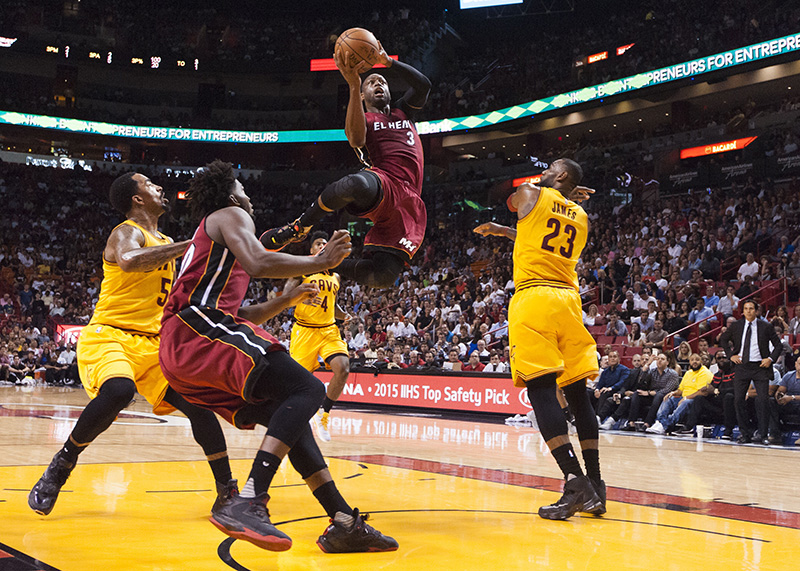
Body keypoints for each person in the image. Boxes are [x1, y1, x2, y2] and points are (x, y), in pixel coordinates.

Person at [158, 160, 397, 553]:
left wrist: (283, 301)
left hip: (185, 348)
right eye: (244, 188)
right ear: (232, 192)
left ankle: (342, 522)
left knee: (292, 419)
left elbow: (242, 316)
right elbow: (258, 261)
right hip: (194, 331)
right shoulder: (229, 214)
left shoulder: (218, 248)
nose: (249, 197)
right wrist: (320, 263)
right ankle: (249, 498)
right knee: (306, 388)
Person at [28, 172, 235, 518]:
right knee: (120, 391)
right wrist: (192, 245)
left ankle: (228, 490)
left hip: (154, 344)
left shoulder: (165, 238)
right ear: (137, 199)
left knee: (200, 403)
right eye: (151, 186)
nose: (160, 188)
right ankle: (62, 465)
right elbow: (129, 260)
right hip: (111, 334)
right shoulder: (126, 232)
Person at [473, 158, 604, 521]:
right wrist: (504, 231)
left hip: (535, 298)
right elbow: (538, 231)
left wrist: (546, 189)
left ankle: (574, 482)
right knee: (577, 393)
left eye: (550, 167)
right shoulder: (581, 216)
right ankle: (596, 485)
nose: (542, 171)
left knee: (540, 390)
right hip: (569, 301)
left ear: (560, 175)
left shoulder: (532, 192)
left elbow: (516, 200)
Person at [260, 41, 431, 288]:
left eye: (382, 82)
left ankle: (322, 261)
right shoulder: (363, 117)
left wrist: (389, 62)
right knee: (355, 183)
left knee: (382, 277)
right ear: (363, 95)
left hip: (410, 201)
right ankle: (300, 226)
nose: (378, 84)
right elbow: (356, 139)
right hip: (384, 182)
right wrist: (353, 83)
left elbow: (423, 85)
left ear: (391, 92)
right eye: (371, 83)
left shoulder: (403, 111)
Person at [286, 231, 351, 443]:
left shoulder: (335, 276)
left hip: (329, 330)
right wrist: (301, 300)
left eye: (325, 242)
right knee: (295, 385)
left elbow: (332, 306)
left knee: (343, 368)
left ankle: (324, 415)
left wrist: (345, 315)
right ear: (311, 250)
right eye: (318, 243)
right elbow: (286, 296)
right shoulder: (302, 269)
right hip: (304, 331)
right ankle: (288, 425)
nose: (322, 245)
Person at [718, 300, 783, 445]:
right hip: (741, 366)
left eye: (751, 308)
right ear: (743, 311)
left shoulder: (765, 326)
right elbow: (723, 339)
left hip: (760, 367)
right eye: (746, 309)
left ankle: (764, 434)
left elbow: (779, 346)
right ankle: (744, 434)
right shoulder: (736, 325)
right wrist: (730, 355)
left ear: (756, 310)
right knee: (738, 400)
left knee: (763, 400)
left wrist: (770, 359)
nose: (748, 311)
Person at [646, 353, 713, 434]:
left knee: (685, 402)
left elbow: (702, 392)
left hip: (695, 401)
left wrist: (686, 398)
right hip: (684, 398)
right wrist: (673, 393)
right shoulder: (688, 373)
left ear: (701, 361)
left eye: (697, 360)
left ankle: (665, 425)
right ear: (689, 362)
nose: (694, 362)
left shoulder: (705, 372)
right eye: (692, 360)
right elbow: (681, 390)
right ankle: (659, 422)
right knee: (668, 398)